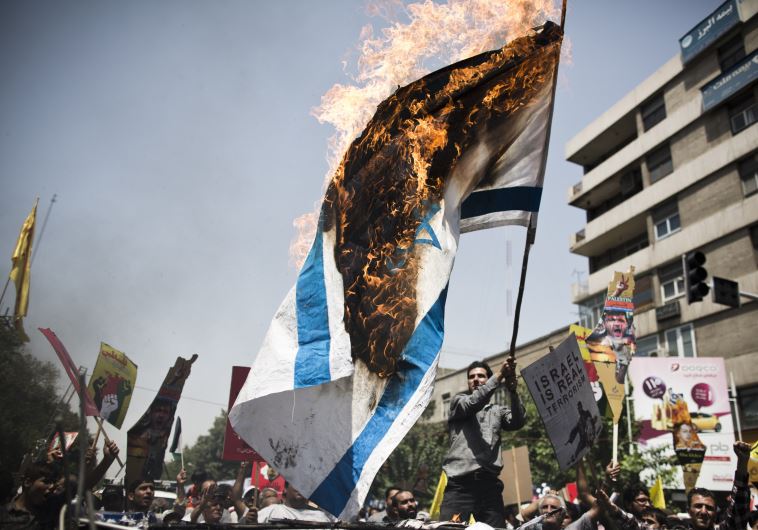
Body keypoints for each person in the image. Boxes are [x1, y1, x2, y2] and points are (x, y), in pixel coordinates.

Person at [439, 358, 525, 526]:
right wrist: (501, 374)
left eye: (481, 376)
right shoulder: (459, 402)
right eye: (471, 377)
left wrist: (513, 391)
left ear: (488, 379)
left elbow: (517, 422)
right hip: (460, 486)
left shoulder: (497, 411)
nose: (476, 379)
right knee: (449, 528)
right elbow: (474, 402)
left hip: (489, 487)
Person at [0, 462, 60, 530]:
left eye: (53, 482)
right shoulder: (4, 515)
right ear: (27, 482)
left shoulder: (48, 519)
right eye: (46, 481)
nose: (51, 486)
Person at [257, 482, 335, 523]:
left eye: (304, 486)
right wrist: (251, 522)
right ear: (285, 489)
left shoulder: (320, 517)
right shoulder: (271, 511)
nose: (301, 488)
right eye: (296, 484)